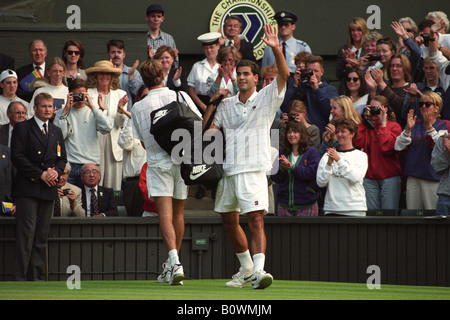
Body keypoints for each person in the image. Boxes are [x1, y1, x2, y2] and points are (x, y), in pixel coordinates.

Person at [202, 24, 289, 289]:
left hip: (253, 169)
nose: (241, 78)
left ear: (255, 78)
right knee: (229, 220)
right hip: (229, 170)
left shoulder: (266, 99)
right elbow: (207, 134)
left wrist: (275, 47)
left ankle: (260, 271)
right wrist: (214, 101)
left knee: (256, 219)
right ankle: (247, 268)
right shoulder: (226, 104)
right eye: (239, 74)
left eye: (246, 74)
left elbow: (285, 74)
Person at [132, 59, 202, 285]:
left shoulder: (137, 107)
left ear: (143, 79)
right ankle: (173, 265)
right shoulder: (180, 96)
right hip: (182, 161)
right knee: (178, 214)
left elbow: (142, 142)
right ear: (163, 75)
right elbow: (198, 124)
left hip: (157, 164)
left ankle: (174, 263)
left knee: (165, 215)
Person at [11, 92, 67, 281]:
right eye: (44, 106)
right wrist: (40, 174)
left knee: (41, 236)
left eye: (50, 107)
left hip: (48, 189)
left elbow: (62, 159)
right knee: (25, 236)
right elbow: (17, 157)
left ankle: (37, 278)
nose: (48, 110)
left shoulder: (56, 131)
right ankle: (20, 279)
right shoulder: (23, 128)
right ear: (35, 108)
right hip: (28, 188)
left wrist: (56, 172)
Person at [53, 79, 113, 189]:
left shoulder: (93, 111)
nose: (79, 98)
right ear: (70, 94)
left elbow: (107, 128)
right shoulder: (62, 112)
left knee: (90, 200)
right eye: (76, 95)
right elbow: (59, 136)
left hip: (90, 163)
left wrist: (92, 107)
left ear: (87, 94)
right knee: (69, 199)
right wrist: (66, 109)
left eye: (82, 94)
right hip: (69, 164)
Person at [395, 92, 450, 210]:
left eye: (427, 104)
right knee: (412, 216)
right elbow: (398, 146)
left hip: (433, 177)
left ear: (437, 107)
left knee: (432, 216)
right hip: (413, 176)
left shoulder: (444, 124)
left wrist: (429, 128)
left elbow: (440, 146)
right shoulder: (414, 124)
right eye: (421, 104)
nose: (423, 107)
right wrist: (408, 130)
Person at [354, 95, 402, 210]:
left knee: (389, 214)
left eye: (376, 108)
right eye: (371, 108)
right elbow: (357, 142)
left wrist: (383, 124)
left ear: (385, 109)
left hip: (389, 178)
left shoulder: (394, 126)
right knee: (372, 215)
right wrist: (363, 120)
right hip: (369, 178)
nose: (373, 111)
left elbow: (388, 147)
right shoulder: (367, 126)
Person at [86, 60, 128, 191]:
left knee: (113, 187)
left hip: (113, 145)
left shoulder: (120, 94)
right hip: (94, 141)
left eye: (108, 73)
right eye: (101, 73)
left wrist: (120, 110)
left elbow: (120, 124)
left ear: (112, 76)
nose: (104, 76)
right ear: (96, 75)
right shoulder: (89, 93)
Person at [316, 118, 368, 216]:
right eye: (338, 132)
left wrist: (338, 160)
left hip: (355, 209)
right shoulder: (328, 155)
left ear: (352, 134)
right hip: (332, 209)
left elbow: (355, 178)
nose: (339, 135)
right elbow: (321, 183)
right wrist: (328, 164)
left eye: (343, 131)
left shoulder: (361, 156)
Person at [271, 120, 320, 216]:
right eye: (289, 132)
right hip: (284, 206)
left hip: (307, 206)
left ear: (302, 134)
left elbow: (311, 173)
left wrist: (292, 167)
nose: (291, 135)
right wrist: (282, 168)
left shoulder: (312, 152)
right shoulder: (282, 153)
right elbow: (274, 177)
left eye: (295, 132)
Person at [117, 85, 148, 216]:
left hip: (156, 181)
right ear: (138, 100)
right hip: (134, 184)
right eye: (145, 97)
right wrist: (134, 116)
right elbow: (125, 144)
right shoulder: (130, 120)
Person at [297, 55, 339, 136]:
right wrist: (296, 85)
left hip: (322, 134)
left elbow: (329, 111)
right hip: (301, 134)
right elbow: (287, 107)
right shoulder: (302, 87)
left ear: (322, 72)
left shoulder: (330, 90)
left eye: (315, 71)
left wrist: (316, 89)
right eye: (310, 71)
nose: (313, 74)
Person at [366, 53, 411, 127]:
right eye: (392, 66)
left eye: (398, 66)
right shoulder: (385, 88)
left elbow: (400, 105)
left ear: (405, 68)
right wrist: (373, 90)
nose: (394, 69)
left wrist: (380, 82)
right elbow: (371, 110)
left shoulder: (410, 88)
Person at [261, 10, 311, 75]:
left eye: (286, 25)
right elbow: (264, 71)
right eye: (280, 25)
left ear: (293, 27)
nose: (283, 27)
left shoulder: (302, 47)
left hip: (295, 80)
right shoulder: (269, 48)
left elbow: (309, 69)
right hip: (275, 80)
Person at [187, 32, 221, 113]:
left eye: (211, 47)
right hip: (199, 104)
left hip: (219, 104)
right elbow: (191, 89)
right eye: (206, 48)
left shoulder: (223, 65)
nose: (209, 50)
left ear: (218, 46)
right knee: (198, 125)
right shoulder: (197, 66)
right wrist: (202, 105)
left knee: (216, 126)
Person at [336, 17, 369, 94]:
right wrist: (345, 62)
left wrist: (359, 65)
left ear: (364, 31)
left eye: (359, 30)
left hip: (365, 89)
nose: (355, 33)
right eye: (353, 30)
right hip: (347, 91)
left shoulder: (368, 49)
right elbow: (339, 75)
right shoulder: (344, 50)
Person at [107, 39, 144, 106]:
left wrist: (131, 76)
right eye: (113, 52)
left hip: (128, 114)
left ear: (124, 55)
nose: (116, 55)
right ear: (108, 55)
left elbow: (138, 95)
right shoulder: (104, 73)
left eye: (119, 52)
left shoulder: (133, 72)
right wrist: (111, 74)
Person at [431, 133, 450, 216]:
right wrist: (447, 154)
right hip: (446, 197)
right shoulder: (444, 139)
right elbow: (436, 167)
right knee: (441, 229)